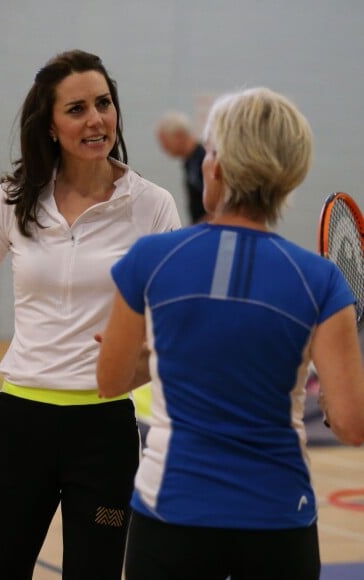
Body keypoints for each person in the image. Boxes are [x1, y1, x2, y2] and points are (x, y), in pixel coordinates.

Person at [97, 87, 364, 580]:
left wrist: (162, 354)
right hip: (279, 518)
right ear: (291, 175)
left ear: (215, 166)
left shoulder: (150, 260)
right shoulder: (320, 280)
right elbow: (350, 425)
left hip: (171, 513)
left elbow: (110, 381)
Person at [0, 49, 181, 579]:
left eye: (104, 103)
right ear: (49, 125)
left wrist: (138, 363)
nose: (96, 119)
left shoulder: (153, 205)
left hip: (106, 428)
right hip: (22, 424)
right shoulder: (12, 200)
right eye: (76, 109)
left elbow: (171, 324)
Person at [157, 111, 207, 223]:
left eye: (165, 141)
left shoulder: (203, 160)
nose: (164, 148)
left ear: (179, 135)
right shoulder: (189, 162)